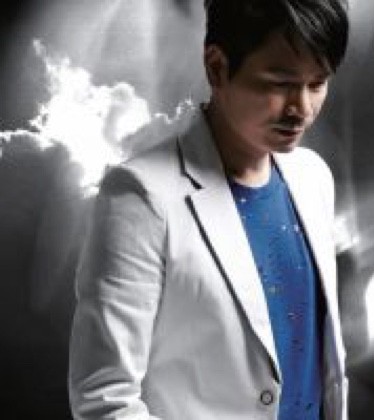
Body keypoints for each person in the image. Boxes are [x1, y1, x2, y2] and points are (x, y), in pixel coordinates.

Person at [68, 0, 350, 419]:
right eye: (279, 84)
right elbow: (104, 398)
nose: (302, 109)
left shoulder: (313, 178)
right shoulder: (140, 196)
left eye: (317, 83)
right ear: (217, 67)